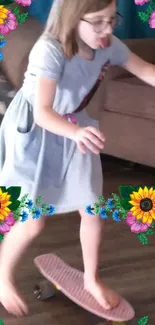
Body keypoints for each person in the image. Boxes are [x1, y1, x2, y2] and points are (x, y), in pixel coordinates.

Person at [0, 0, 155, 317]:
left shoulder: (107, 43)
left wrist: (76, 132)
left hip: (74, 125)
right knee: (32, 222)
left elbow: (146, 70)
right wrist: (74, 134)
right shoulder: (50, 50)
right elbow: (43, 112)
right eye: (98, 21)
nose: (108, 29)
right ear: (72, 19)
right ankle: (2, 276)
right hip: (35, 130)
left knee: (92, 207)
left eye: (113, 19)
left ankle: (91, 280)